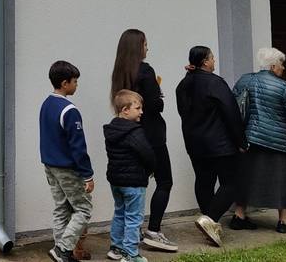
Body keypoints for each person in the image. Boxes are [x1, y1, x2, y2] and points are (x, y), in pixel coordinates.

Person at [110, 29, 176, 252]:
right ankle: (154, 231)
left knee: (136, 183)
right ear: (138, 47)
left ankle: (128, 234)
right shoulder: (146, 70)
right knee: (164, 181)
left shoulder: (120, 72)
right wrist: (159, 95)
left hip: (131, 134)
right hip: (152, 135)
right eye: (145, 44)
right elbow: (155, 105)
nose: (148, 48)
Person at [231, 47, 286, 234]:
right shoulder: (284, 87)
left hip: (249, 139)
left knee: (246, 178)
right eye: (281, 64)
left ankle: (239, 216)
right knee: (281, 181)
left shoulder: (243, 80)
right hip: (276, 141)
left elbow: (233, 107)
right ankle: (284, 221)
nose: (283, 68)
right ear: (273, 66)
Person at [175, 46, 246, 247]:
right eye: (212, 58)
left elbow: (183, 112)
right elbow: (231, 112)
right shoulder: (215, 83)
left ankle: (209, 224)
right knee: (231, 183)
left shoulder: (183, 85)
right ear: (205, 62)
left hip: (194, 142)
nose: (214, 61)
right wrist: (241, 140)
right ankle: (210, 219)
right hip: (219, 143)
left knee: (204, 181)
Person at [39, 60, 94, 262]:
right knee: (83, 208)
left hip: (49, 165)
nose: (76, 85)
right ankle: (63, 249)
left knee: (61, 207)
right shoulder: (70, 110)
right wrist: (88, 175)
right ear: (65, 83)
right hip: (67, 168)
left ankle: (59, 251)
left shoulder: (46, 104)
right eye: (75, 81)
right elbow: (78, 147)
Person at [104, 89, 155, 262]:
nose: (142, 112)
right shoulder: (134, 132)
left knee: (120, 213)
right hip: (134, 181)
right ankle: (131, 254)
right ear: (125, 110)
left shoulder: (112, 130)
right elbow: (147, 154)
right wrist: (151, 169)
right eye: (138, 108)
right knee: (134, 218)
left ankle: (116, 248)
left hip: (116, 181)